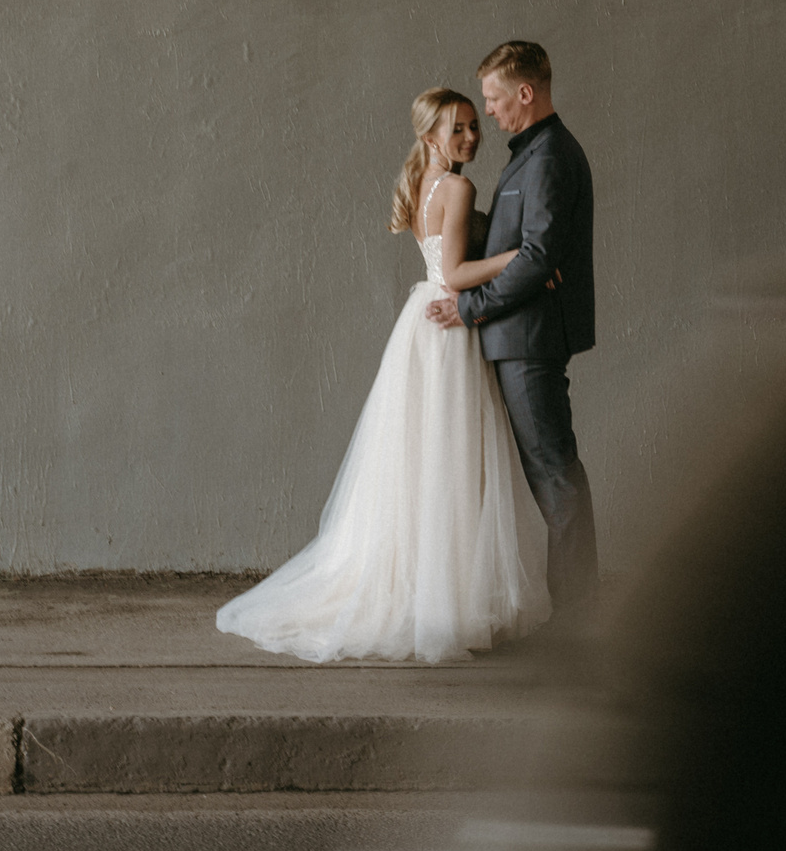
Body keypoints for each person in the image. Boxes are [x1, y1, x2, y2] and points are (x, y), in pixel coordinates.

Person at [217, 88, 551, 662]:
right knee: (450, 461)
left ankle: (433, 590)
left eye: (474, 126)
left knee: (423, 462)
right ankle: (446, 601)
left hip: (421, 323)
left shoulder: (425, 181)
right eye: (458, 130)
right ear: (429, 138)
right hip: (447, 327)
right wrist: (524, 257)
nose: (471, 138)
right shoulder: (459, 186)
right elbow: (455, 271)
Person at [426, 41, 598, 634]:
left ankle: (577, 619)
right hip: (521, 336)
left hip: (529, 341)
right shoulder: (532, 153)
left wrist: (470, 305)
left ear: (525, 92)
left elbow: (537, 256)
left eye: (495, 100)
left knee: (555, 476)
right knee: (553, 475)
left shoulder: (548, 156)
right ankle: (576, 613)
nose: (490, 114)